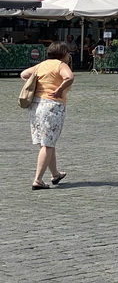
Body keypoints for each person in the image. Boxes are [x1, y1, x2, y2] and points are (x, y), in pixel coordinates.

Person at [21, 41, 75, 190]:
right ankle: (37, 180)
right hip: (52, 105)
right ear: (63, 53)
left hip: (36, 105)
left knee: (46, 142)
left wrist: (36, 84)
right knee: (48, 144)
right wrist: (59, 89)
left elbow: (24, 74)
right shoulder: (60, 65)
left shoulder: (41, 65)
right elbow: (69, 77)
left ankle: (55, 174)